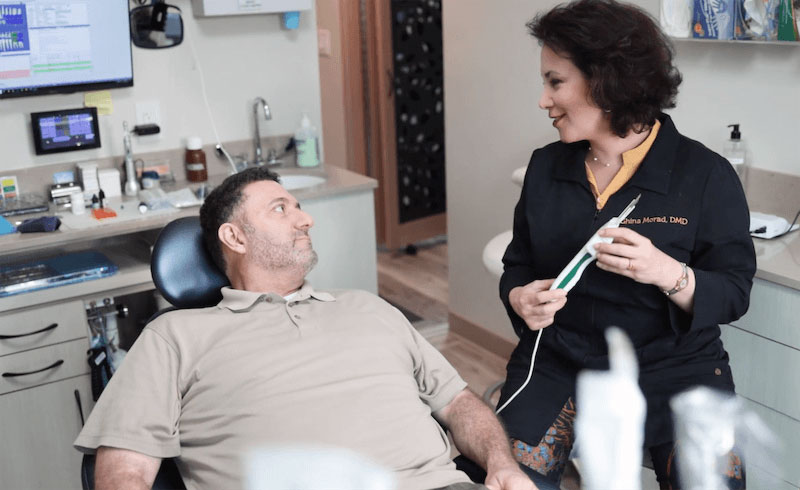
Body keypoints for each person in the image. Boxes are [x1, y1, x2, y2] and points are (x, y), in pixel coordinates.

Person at [75, 167, 536, 490]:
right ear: (234, 237)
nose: (305, 218)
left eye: (299, 206)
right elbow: (124, 472)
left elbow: (458, 402)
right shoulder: (175, 337)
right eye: (280, 209)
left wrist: (502, 465)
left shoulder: (368, 307)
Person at [496, 1, 755, 489]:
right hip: (558, 364)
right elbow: (518, 265)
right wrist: (518, 296)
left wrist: (666, 272)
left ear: (606, 81)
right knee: (503, 479)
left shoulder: (705, 175)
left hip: (677, 369)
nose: (543, 100)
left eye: (555, 82)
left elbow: (734, 293)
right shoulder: (545, 168)